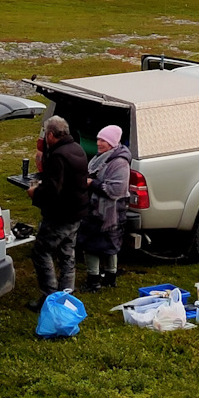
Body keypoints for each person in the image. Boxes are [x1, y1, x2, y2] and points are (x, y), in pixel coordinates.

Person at [27, 116, 88, 306]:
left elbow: (53, 190)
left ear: (51, 135)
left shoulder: (58, 156)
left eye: (46, 134)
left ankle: (49, 296)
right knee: (67, 252)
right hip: (77, 211)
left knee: (41, 252)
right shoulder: (78, 149)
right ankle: (67, 295)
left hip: (60, 214)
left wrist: (35, 193)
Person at [80, 124, 134, 291]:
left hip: (109, 214)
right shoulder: (101, 157)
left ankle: (94, 281)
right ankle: (109, 277)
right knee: (106, 245)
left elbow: (115, 190)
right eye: (98, 139)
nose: (98, 142)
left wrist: (92, 183)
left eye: (102, 140)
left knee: (93, 246)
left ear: (112, 143)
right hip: (101, 210)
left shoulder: (119, 163)